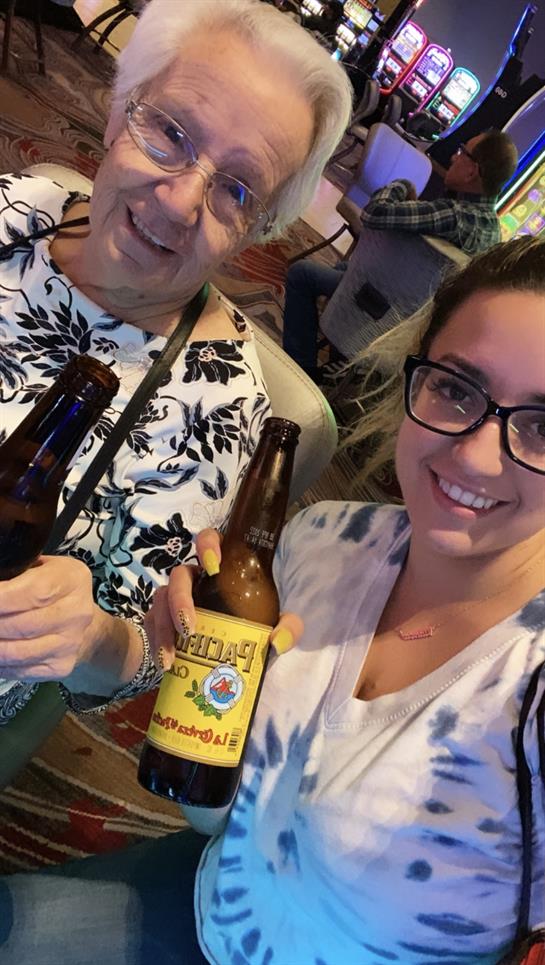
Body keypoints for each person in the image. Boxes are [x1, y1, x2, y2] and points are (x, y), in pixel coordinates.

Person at [1, 236, 543, 964]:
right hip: (216, 902)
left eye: (542, 426)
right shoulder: (321, 541)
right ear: (414, 376)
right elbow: (218, 817)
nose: (476, 454)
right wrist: (191, 690)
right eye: (455, 388)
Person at [0, 0, 352, 723]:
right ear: (118, 112)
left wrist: (89, 637)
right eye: (170, 132)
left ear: (257, 231)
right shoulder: (20, 207)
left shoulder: (217, 408)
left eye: (236, 189)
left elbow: (142, 654)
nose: (181, 199)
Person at [282, 128, 519, 379]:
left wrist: (402, 185)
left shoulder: (453, 215)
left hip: (377, 303)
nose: (453, 157)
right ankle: (342, 362)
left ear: (472, 171)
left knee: (301, 275)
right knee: (342, 268)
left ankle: (301, 372)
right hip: (412, 326)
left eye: (462, 152)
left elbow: (374, 213)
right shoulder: (493, 233)